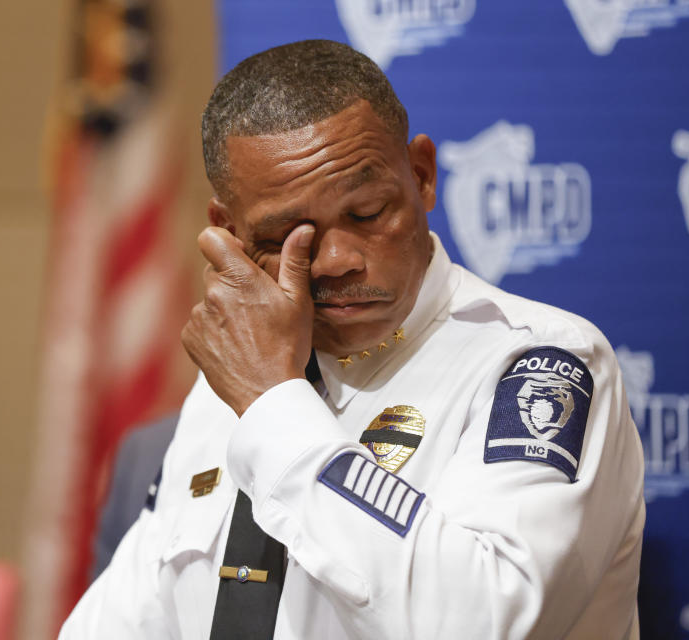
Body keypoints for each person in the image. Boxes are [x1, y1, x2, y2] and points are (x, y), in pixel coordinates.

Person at [59, 39, 645, 639]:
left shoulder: (539, 362)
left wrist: (274, 406)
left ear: (421, 178)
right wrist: (265, 391)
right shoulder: (229, 388)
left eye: (367, 213)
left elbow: (485, 621)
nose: (335, 259)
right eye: (288, 233)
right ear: (228, 232)